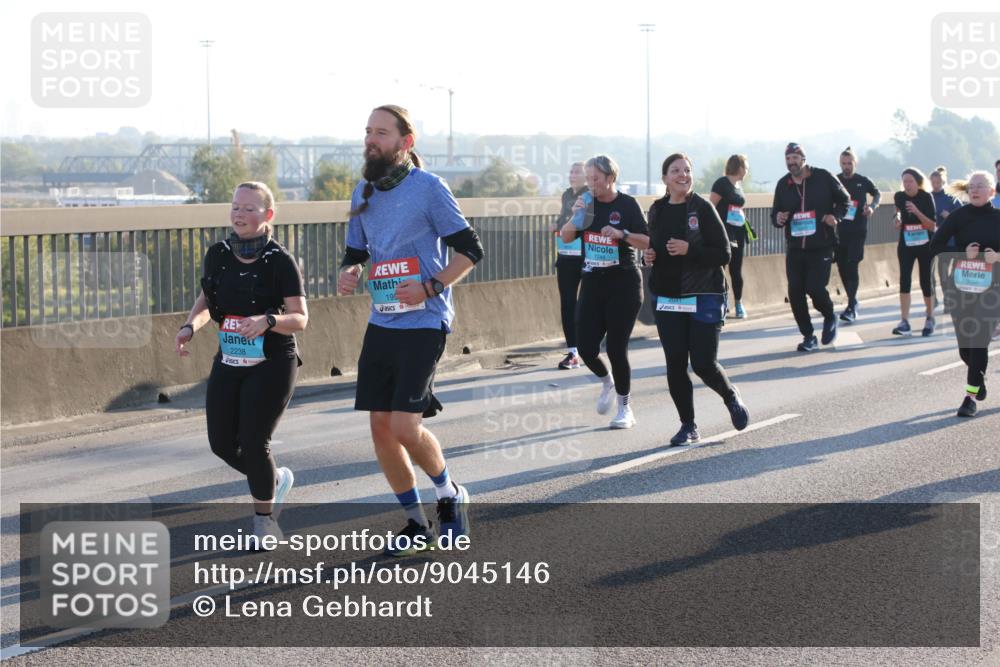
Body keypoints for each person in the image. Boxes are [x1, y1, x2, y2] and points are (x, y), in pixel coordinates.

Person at [338, 105, 484, 556]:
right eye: (368, 131)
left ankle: (448, 494)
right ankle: (416, 523)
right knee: (381, 427)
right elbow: (356, 252)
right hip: (382, 320)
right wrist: (349, 272)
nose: (371, 139)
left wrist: (430, 286)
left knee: (404, 425)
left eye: (381, 132)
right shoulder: (363, 191)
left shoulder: (429, 188)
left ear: (406, 142)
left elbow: (470, 250)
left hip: (425, 320)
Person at [175, 181, 308, 544]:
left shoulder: (279, 261)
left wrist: (268, 320)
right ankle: (273, 480)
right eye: (235, 206)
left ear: (268, 215)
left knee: (253, 440)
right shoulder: (218, 254)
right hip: (230, 358)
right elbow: (207, 299)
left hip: (273, 360)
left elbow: (300, 318)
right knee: (221, 443)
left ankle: (265, 522)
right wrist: (189, 326)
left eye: (249, 208)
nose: (239, 214)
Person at [645, 153, 749, 446]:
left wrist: (689, 250)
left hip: (703, 295)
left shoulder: (702, 208)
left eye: (687, 170)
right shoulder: (656, 210)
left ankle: (730, 396)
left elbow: (724, 253)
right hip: (668, 298)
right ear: (665, 178)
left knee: (703, 363)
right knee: (675, 363)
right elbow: (655, 247)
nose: (683, 175)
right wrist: (649, 255)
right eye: (675, 170)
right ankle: (688, 425)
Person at [559, 155, 649, 429]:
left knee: (616, 347)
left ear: (610, 178)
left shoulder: (628, 204)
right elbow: (566, 237)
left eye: (595, 178)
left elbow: (647, 241)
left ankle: (625, 407)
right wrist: (576, 215)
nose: (591, 184)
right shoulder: (586, 204)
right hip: (593, 282)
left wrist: (622, 234)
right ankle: (607, 382)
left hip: (624, 283)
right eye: (588, 179)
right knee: (586, 348)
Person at [930, 170, 1000, 417]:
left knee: (978, 341)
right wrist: (962, 252)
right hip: (961, 288)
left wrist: (997, 257)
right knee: (965, 348)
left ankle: (969, 398)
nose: (975, 190)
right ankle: (977, 379)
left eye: (980, 186)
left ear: (992, 191)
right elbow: (936, 246)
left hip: (992, 290)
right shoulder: (958, 217)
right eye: (972, 186)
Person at [771, 143, 850, 351]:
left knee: (814, 288)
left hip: (821, 245)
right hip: (795, 247)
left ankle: (829, 315)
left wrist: (835, 216)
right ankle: (808, 336)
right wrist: (778, 218)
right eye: (788, 159)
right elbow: (775, 214)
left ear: (803, 159)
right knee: (795, 292)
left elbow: (845, 201)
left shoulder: (823, 177)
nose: (791, 162)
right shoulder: (783, 185)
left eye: (795, 158)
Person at [835, 147, 881, 323]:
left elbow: (877, 194)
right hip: (840, 231)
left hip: (858, 230)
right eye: (844, 163)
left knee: (852, 265)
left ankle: (851, 305)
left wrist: (872, 207)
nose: (846, 167)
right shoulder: (835, 180)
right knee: (842, 266)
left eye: (849, 163)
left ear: (855, 163)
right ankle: (852, 300)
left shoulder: (863, 181)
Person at [891, 168, 937, 336]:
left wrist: (916, 211)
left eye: (910, 181)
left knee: (926, 281)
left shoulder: (926, 197)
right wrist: (896, 219)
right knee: (904, 280)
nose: (907, 184)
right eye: (904, 181)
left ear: (918, 182)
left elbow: (932, 225)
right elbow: (896, 212)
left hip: (925, 245)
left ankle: (930, 317)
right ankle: (904, 321)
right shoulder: (899, 196)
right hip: (906, 244)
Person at [551, 162, 588, 369]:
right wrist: (557, 225)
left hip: (585, 257)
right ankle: (573, 352)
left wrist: (570, 220)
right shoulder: (566, 195)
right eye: (571, 172)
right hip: (565, 256)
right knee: (567, 304)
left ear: (586, 176)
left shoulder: (589, 196)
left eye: (577, 172)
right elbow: (562, 221)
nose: (572, 175)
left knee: (586, 304)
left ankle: (588, 347)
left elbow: (585, 224)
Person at [710, 154, 755, 319]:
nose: (747, 171)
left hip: (738, 231)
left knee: (736, 269)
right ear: (740, 167)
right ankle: (721, 301)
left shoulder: (738, 186)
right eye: (746, 168)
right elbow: (711, 207)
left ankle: (738, 303)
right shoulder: (721, 183)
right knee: (720, 268)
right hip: (723, 233)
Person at [929, 166, 962, 313]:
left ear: (943, 182)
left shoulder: (951, 198)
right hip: (938, 242)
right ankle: (947, 301)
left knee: (953, 275)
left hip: (953, 242)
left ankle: (952, 300)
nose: (935, 185)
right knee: (942, 275)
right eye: (933, 182)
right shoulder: (928, 197)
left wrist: (950, 216)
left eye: (938, 182)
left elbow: (963, 216)